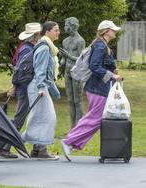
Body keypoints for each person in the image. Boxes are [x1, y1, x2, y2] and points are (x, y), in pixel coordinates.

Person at [60, 20, 123, 161]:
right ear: (106, 31)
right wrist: (112, 75)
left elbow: (101, 64)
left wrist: (113, 69)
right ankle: (68, 141)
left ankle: (72, 143)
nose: (115, 31)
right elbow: (94, 66)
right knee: (94, 118)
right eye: (113, 29)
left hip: (99, 87)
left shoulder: (102, 44)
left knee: (96, 118)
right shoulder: (100, 45)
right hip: (97, 88)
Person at [0, 22, 42, 158]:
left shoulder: (24, 47)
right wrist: (15, 86)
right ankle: (4, 147)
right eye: (39, 34)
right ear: (35, 35)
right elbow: (21, 71)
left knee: (24, 117)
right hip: (25, 87)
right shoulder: (28, 49)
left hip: (23, 87)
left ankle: (36, 148)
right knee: (19, 118)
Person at [22, 21, 61, 159]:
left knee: (40, 117)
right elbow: (40, 70)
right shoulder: (44, 48)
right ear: (47, 32)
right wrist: (40, 87)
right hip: (38, 86)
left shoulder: (48, 47)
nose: (58, 32)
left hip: (40, 85)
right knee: (47, 117)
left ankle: (37, 149)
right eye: (55, 30)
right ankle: (27, 143)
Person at [60, 17, 86, 129]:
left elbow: (82, 59)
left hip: (77, 73)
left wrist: (68, 56)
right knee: (70, 100)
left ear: (73, 26)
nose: (65, 27)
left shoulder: (80, 41)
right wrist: (60, 62)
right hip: (67, 72)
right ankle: (72, 127)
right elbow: (64, 60)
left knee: (77, 100)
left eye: (66, 25)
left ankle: (78, 128)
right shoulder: (65, 41)